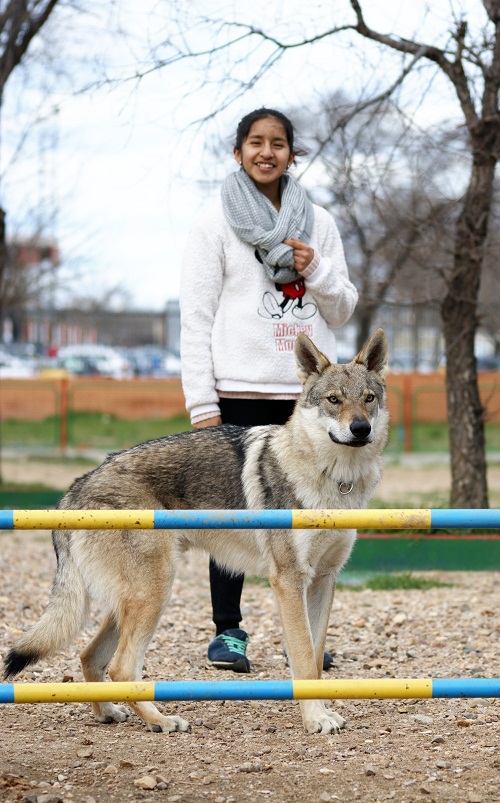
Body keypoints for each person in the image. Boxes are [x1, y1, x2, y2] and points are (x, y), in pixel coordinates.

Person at [179, 107, 358, 673]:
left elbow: (344, 308)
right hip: (236, 391)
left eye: (278, 143)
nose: (266, 152)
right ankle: (229, 632)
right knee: (232, 515)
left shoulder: (319, 223)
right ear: (238, 153)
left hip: (308, 400)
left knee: (314, 517)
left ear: (291, 154)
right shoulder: (214, 223)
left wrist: (319, 268)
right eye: (255, 142)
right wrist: (203, 405)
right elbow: (196, 319)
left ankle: (302, 639)